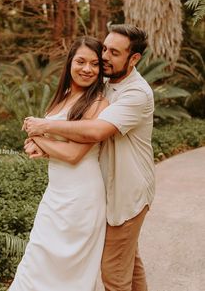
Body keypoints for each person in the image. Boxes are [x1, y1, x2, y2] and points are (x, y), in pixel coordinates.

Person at [25, 24, 155, 291]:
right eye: (105, 48)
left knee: (114, 275)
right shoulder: (106, 81)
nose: (104, 56)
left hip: (126, 193)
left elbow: (95, 130)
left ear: (134, 59)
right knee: (130, 263)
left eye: (114, 52)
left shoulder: (136, 94)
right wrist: (43, 141)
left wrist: (42, 128)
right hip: (103, 188)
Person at [9, 36, 109, 291]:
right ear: (70, 63)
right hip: (55, 194)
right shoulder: (62, 96)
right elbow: (56, 145)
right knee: (37, 258)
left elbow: (74, 154)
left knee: (69, 271)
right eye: (81, 61)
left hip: (82, 196)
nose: (87, 69)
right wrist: (40, 144)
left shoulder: (98, 103)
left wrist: (37, 138)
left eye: (95, 64)